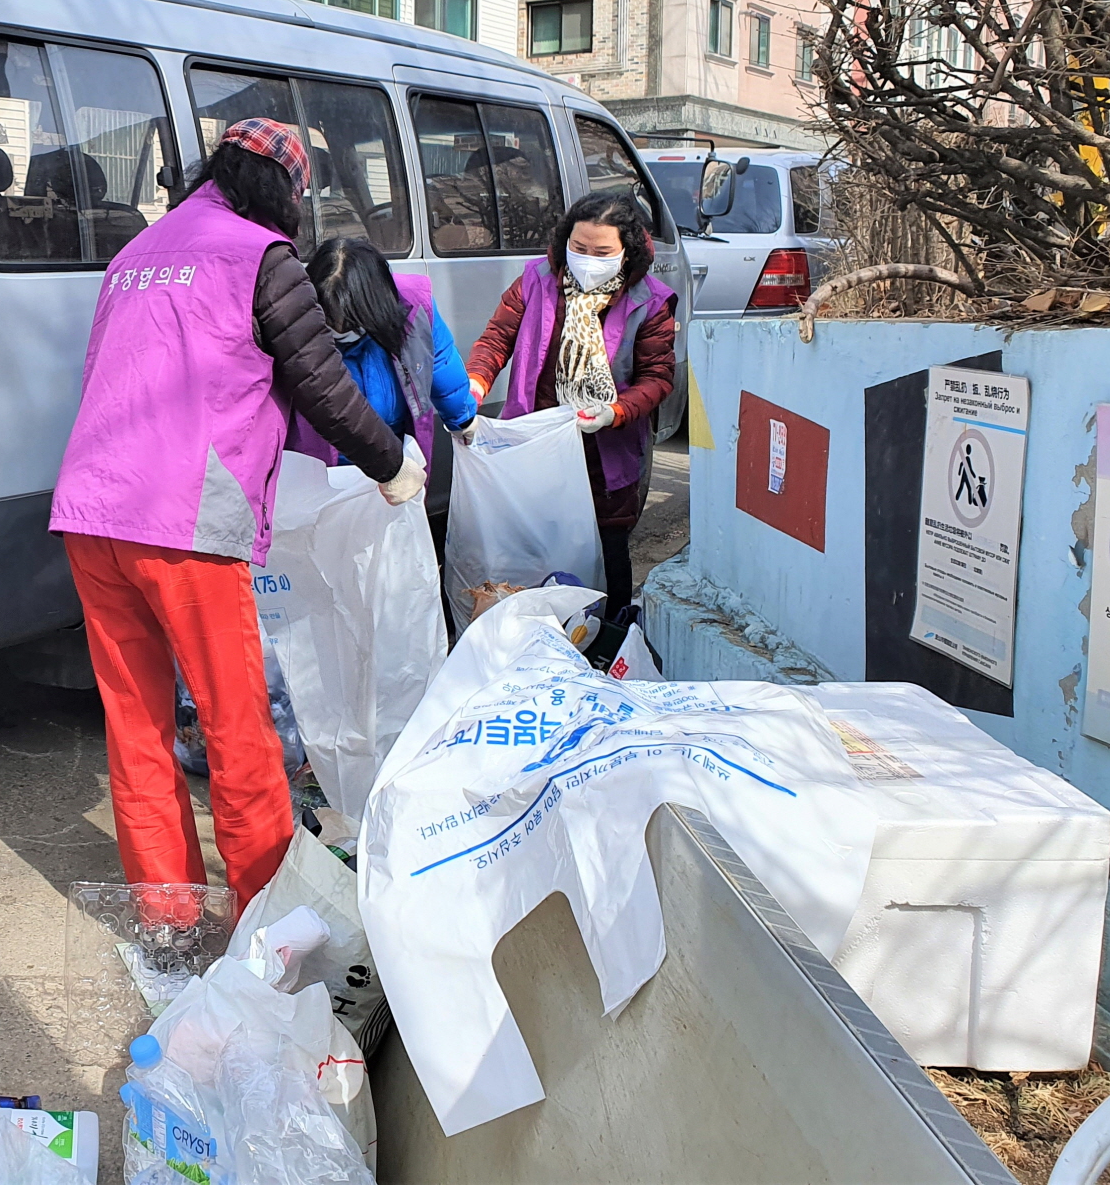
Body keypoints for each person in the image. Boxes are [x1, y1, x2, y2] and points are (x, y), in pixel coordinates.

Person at [50, 119, 423, 912]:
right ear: (284, 190)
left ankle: (168, 910)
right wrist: (392, 462)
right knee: (235, 723)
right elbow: (323, 383)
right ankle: (265, 909)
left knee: (137, 723)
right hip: (182, 523)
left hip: (91, 511)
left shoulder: (136, 254)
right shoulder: (261, 256)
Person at [464, 193, 678, 623]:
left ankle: (610, 634)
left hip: (606, 450)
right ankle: (536, 630)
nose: (587, 259)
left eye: (602, 253)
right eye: (579, 248)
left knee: (607, 546)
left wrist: (613, 413)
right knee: (532, 542)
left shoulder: (649, 302)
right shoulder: (536, 280)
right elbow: (496, 339)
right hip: (537, 437)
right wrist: (474, 384)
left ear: (626, 251)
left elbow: (657, 378)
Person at [288, 235, 478, 467]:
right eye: (330, 320)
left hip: (396, 454)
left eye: (349, 322)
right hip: (325, 463)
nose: (340, 331)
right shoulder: (294, 317)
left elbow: (440, 362)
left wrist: (462, 417)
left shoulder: (412, 306)